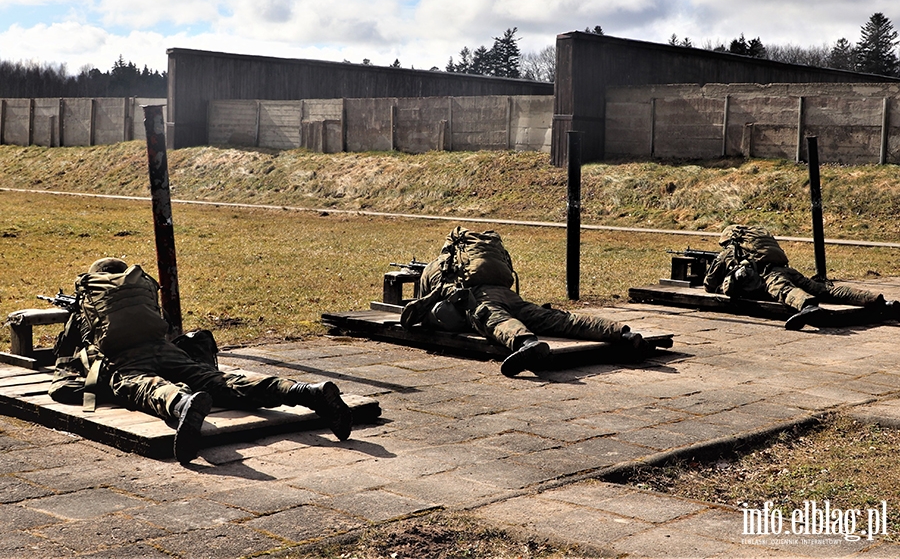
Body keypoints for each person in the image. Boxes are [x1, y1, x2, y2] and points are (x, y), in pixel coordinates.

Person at [49, 257, 352, 463]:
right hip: (169, 352)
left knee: (146, 387)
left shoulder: (89, 302)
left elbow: (64, 356)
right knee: (223, 382)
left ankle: (183, 405)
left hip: (126, 361)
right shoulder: (140, 291)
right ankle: (306, 392)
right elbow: (164, 326)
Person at [400, 227, 649, 377]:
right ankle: (622, 334)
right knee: (558, 319)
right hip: (509, 295)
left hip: (481, 299)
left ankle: (526, 343)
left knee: (496, 319)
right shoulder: (486, 259)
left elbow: (421, 313)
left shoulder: (436, 267)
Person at [703, 224, 900, 330]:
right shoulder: (757, 242)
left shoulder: (731, 250)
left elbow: (709, 283)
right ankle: (880, 301)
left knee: (785, 291)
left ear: (728, 239)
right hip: (787, 269)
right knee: (825, 290)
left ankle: (808, 307)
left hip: (769, 274)